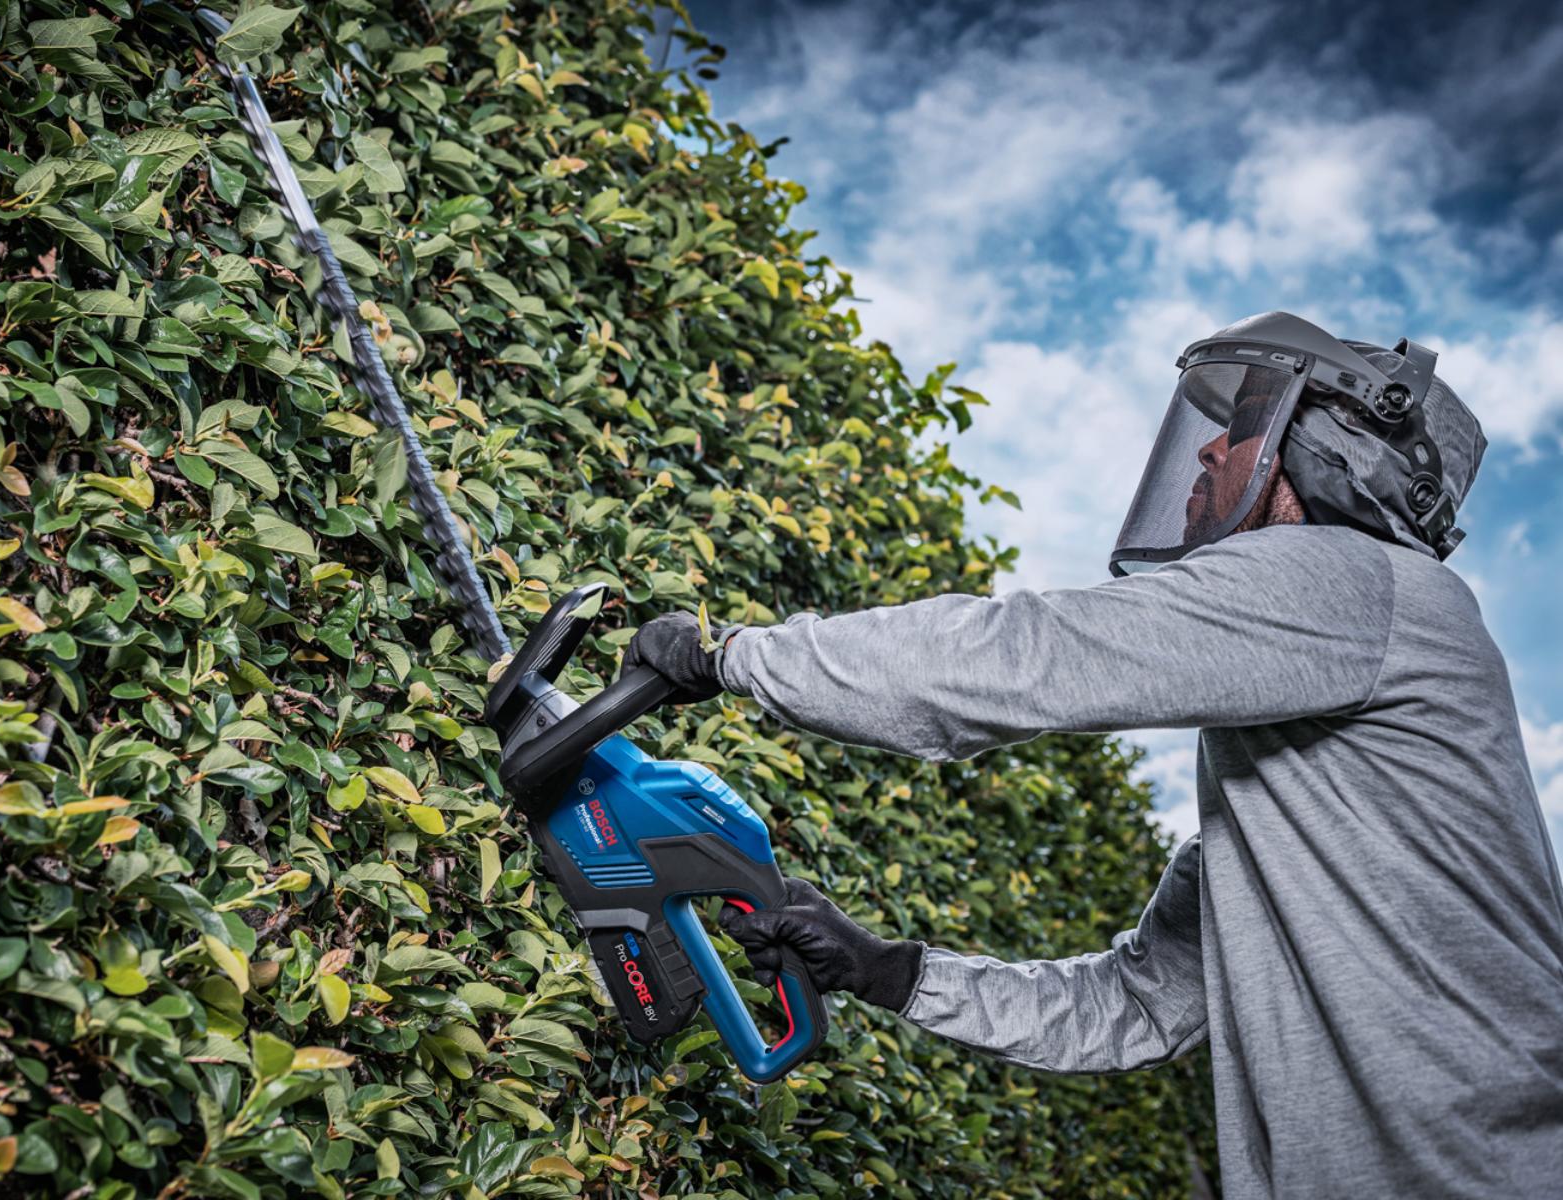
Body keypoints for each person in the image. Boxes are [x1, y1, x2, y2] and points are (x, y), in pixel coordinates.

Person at [622, 313, 1563, 1199]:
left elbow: (1017, 662)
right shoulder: (1292, 801)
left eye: (1240, 423)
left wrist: (727, 653)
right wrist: (891, 971)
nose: (1205, 447)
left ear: (1325, 451)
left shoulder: (1365, 581)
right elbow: (1142, 1004)